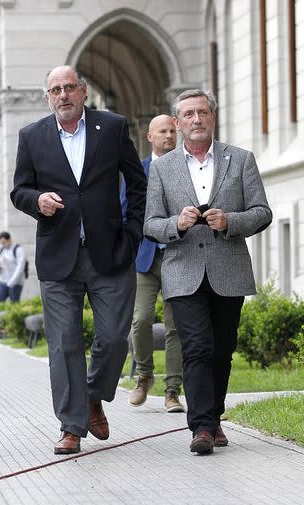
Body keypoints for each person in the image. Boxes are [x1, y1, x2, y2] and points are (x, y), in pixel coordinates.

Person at [11, 65, 146, 455]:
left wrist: (133, 234)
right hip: (58, 256)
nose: (63, 95)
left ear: (83, 92)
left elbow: (138, 184)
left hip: (111, 253)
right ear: (47, 96)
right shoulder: (32, 136)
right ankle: (71, 426)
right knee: (64, 343)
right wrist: (36, 201)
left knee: (114, 338)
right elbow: (19, 189)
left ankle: (92, 395)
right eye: (55, 89)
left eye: (70, 87)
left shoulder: (114, 127)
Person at [144, 89, 271, 455]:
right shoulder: (162, 168)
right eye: (188, 114)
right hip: (183, 271)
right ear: (178, 123)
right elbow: (149, 223)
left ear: (212, 117)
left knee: (222, 349)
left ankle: (214, 417)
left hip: (228, 269)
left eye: (202, 112)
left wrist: (231, 220)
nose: (196, 119)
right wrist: (176, 225)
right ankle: (201, 426)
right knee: (196, 347)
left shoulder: (241, 159)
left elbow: (263, 212)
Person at [121, 114, 184, 413]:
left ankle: (173, 390)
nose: (169, 136)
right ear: (150, 137)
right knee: (141, 318)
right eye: (163, 131)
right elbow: (124, 212)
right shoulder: (139, 170)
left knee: (175, 326)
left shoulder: (189, 167)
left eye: (173, 131)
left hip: (179, 255)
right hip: (145, 255)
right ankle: (144, 375)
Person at [0, 231, 26, 302]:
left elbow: (20, 268)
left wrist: (12, 282)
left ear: (9, 240)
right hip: (3, 281)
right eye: (1, 243)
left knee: (14, 303)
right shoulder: (1, 250)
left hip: (15, 282)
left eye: (4, 242)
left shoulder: (18, 249)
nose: (2, 245)